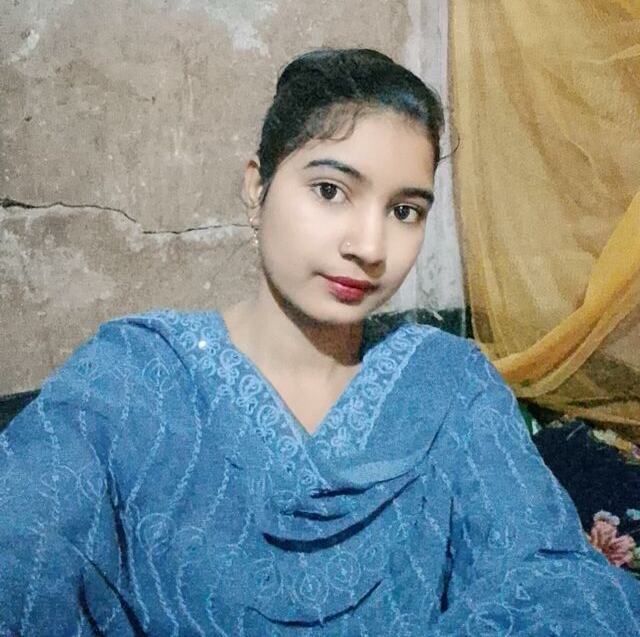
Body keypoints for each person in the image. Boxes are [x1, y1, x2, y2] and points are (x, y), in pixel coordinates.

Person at [1, 48, 638, 637]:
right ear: (257, 188)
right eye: (331, 191)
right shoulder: (131, 380)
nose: (370, 246)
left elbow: (548, 580)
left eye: (405, 210)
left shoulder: (450, 384)